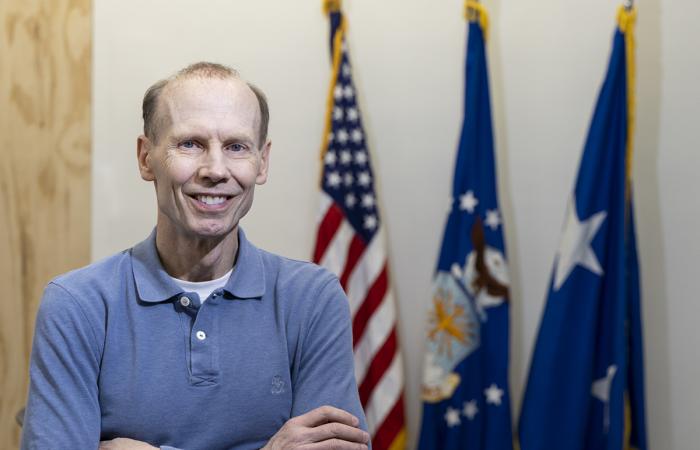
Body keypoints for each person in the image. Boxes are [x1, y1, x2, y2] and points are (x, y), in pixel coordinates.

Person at [21, 62, 370, 450]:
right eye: (190, 144)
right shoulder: (77, 305)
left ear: (262, 162)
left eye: (237, 147)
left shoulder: (312, 300)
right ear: (145, 157)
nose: (215, 170)